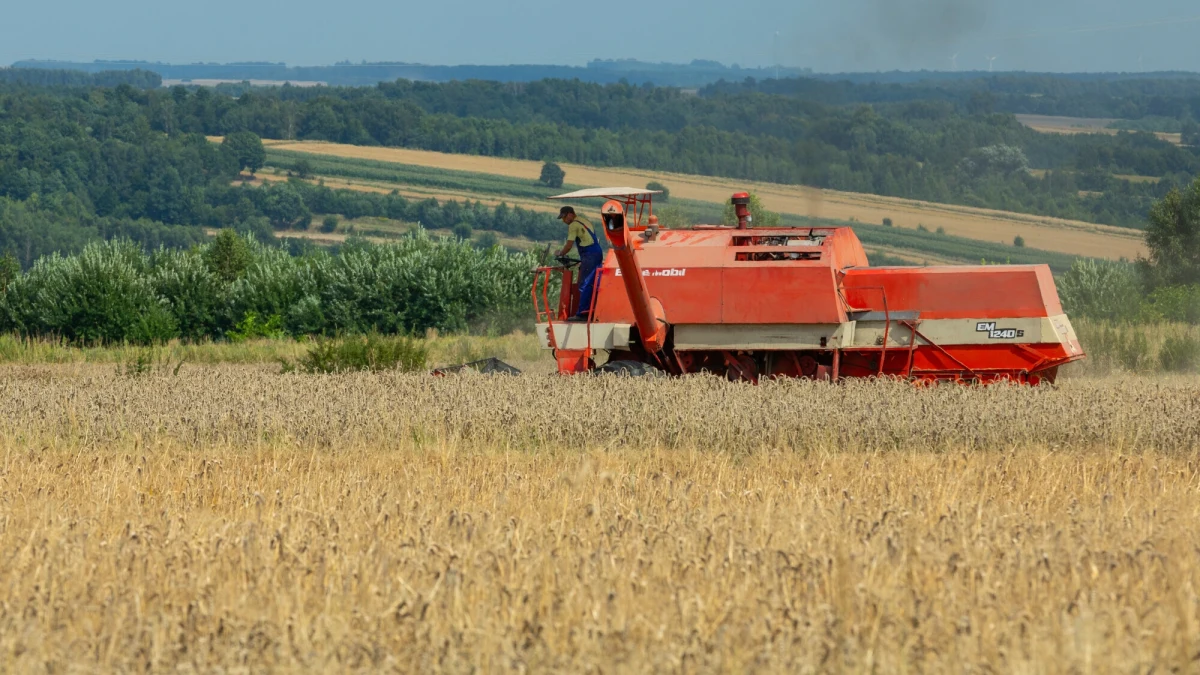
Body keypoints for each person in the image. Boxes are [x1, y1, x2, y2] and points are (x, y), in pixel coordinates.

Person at [555, 205, 603, 321]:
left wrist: (560, 253)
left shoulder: (573, 225)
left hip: (589, 255)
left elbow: (569, 245)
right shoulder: (584, 220)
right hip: (597, 252)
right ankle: (594, 310)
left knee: (584, 283)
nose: (564, 221)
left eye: (564, 217)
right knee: (594, 283)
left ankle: (582, 314)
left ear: (571, 214)